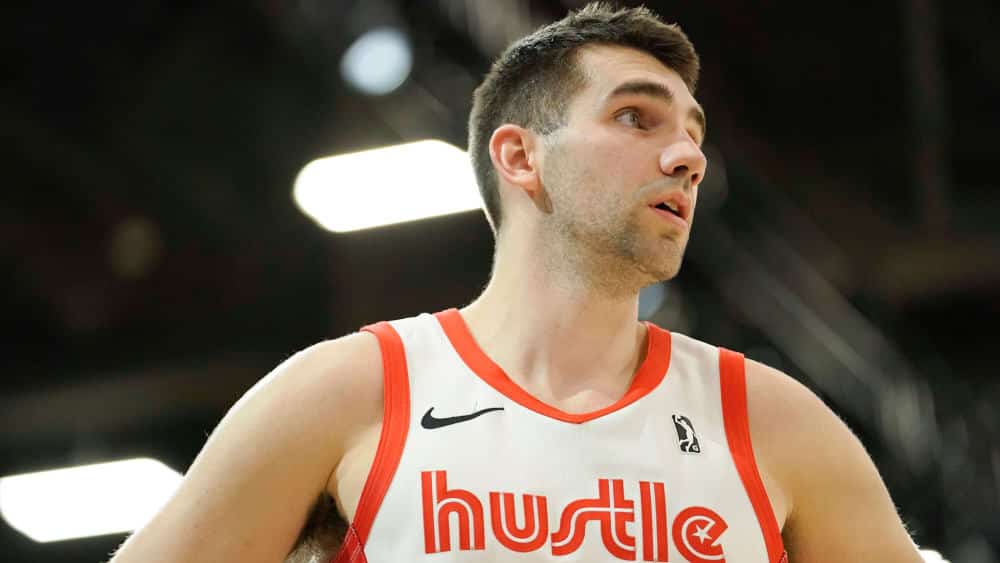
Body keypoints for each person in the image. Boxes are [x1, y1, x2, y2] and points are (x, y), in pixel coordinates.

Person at [109, 3, 925, 562]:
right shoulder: (350, 390)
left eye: (692, 132)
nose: (688, 156)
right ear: (520, 156)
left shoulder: (775, 420)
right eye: (636, 117)